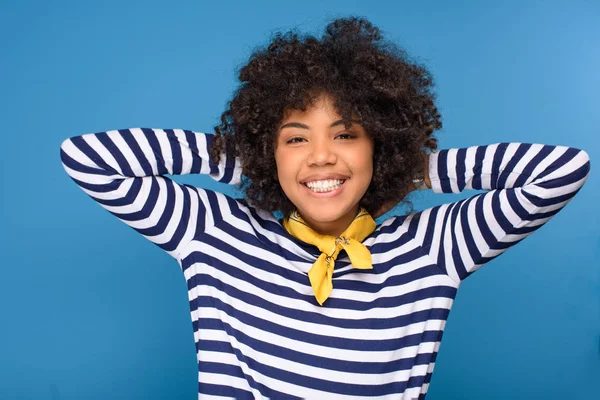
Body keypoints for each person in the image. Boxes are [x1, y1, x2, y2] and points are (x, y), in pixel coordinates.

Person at [59, 16, 590, 400]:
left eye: (346, 135)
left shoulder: (432, 249)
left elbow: (561, 170)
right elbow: (89, 160)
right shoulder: (216, 233)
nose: (320, 156)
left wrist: (400, 170)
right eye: (295, 139)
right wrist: (258, 162)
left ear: (379, 142)